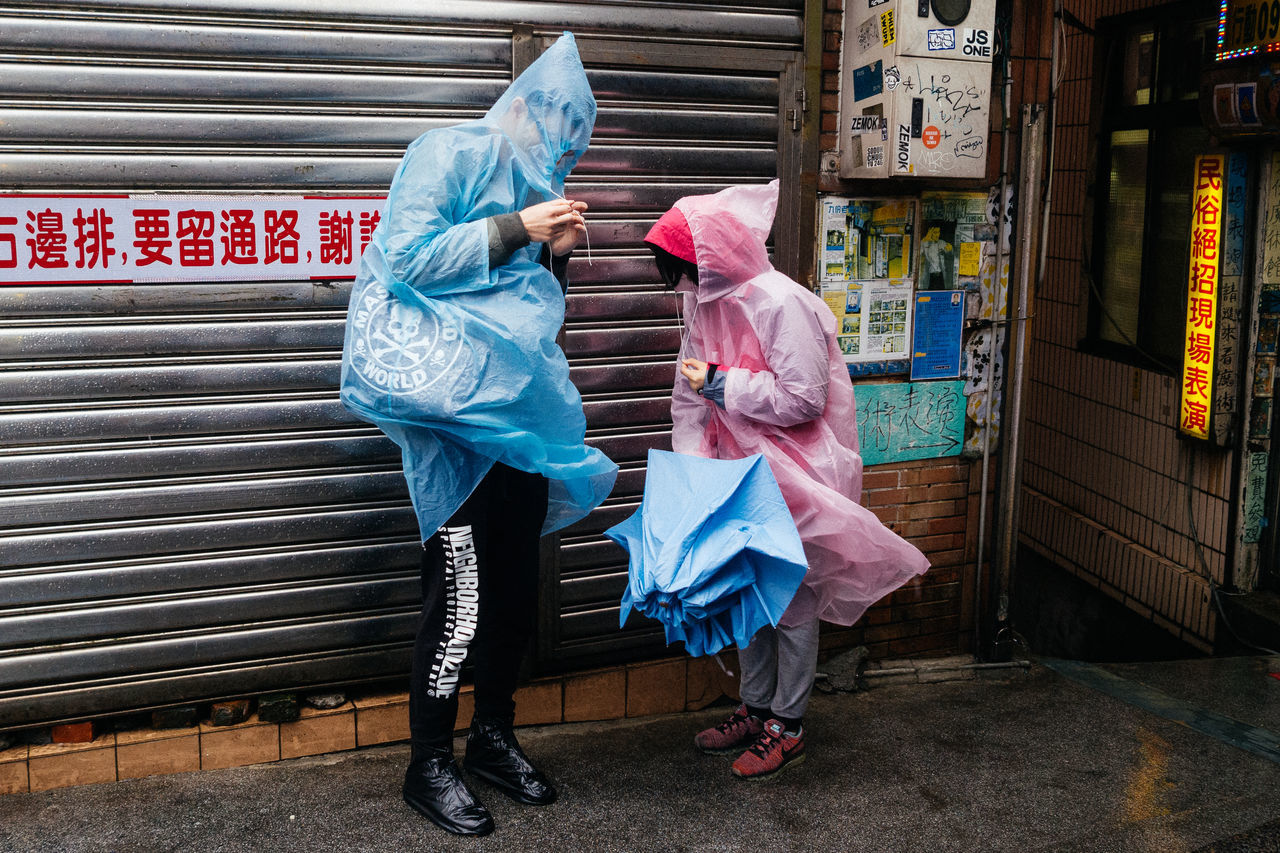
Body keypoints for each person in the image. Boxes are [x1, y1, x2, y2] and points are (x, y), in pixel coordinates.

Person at [340, 33, 617, 836]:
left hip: (519, 428)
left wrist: (552, 250)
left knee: (512, 593)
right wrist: (516, 225)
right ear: (522, 103)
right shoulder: (449, 153)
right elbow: (408, 261)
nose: (563, 143)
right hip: (452, 431)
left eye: (578, 135)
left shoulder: (537, 191)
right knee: (457, 597)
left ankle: (492, 736)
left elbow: (524, 316)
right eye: (557, 121)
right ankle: (429, 760)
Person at [644, 180, 930, 780]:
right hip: (734, 471)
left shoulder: (782, 303)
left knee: (792, 599)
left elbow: (803, 398)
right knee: (748, 591)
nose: (679, 283)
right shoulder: (705, 300)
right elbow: (687, 397)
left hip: (796, 473)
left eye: (681, 268)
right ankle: (756, 708)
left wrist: (721, 383)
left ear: (708, 255)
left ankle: (788, 724)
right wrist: (695, 470)